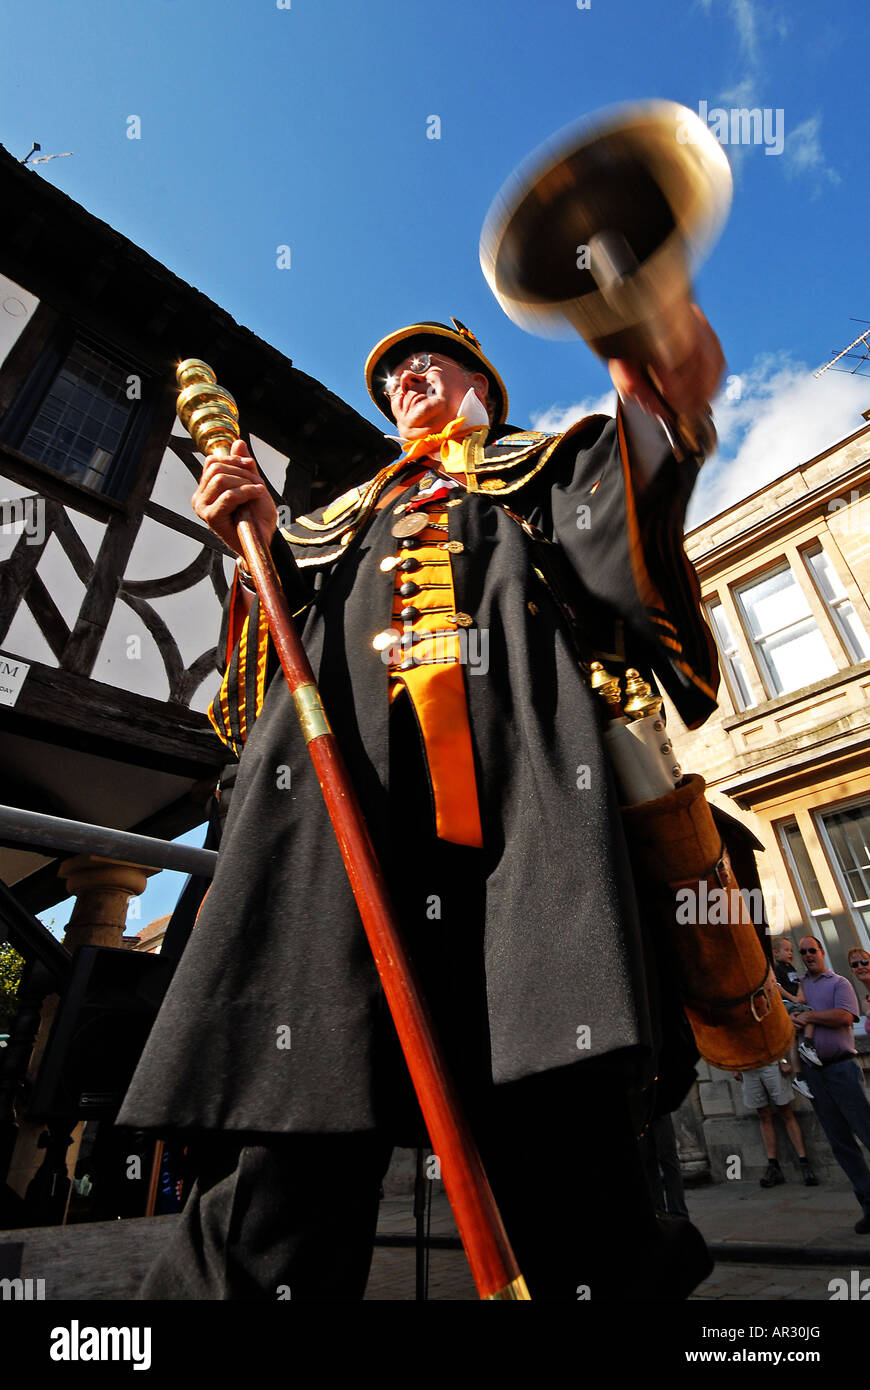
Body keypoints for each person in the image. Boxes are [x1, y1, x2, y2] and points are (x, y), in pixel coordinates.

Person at [119, 312, 726, 1301]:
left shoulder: (544, 468)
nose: (406, 378)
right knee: (293, 1135)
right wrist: (258, 552)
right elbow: (260, 698)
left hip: (529, 813)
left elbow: (625, 539)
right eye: (392, 372)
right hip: (345, 827)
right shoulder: (334, 518)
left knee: (570, 1148)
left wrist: (661, 406)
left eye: (427, 361)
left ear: (481, 380)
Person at [792, 936, 870, 1234]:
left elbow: (844, 1017)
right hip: (815, 1075)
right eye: (803, 952)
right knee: (841, 1144)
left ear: (822, 952)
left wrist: (809, 1016)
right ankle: (867, 1205)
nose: (808, 955)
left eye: (812, 950)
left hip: (842, 1069)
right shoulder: (800, 987)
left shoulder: (838, 983)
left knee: (865, 1131)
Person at [732, 1062, 818, 1188]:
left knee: (786, 1112)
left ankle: (804, 1163)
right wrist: (734, 1067)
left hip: (770, 1064)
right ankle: (773, 1166)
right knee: (763, 1115)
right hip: (747, 1067)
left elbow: (777, 1041)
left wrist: (783, 1061)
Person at [772, 936, 815, 1094]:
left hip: (795, 1003)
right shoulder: (777, 969)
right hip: (786, 1004)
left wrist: (799, 996)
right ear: (776, 953)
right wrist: (794, 999)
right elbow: (777, 987)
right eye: (786, 950)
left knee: (793, 1040)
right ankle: (808, 1044)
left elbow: (797, 985)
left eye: (791, 950)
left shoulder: (791, 968)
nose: (790, 953)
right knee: (811, 1013)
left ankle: (799, 1077)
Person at [848, 947, 870, 1027]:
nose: (860, 967)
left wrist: (868, 1012)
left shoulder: (866, 1006)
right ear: (852, 970)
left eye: (864, 962)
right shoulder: (867, 1001)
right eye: (855, 964)